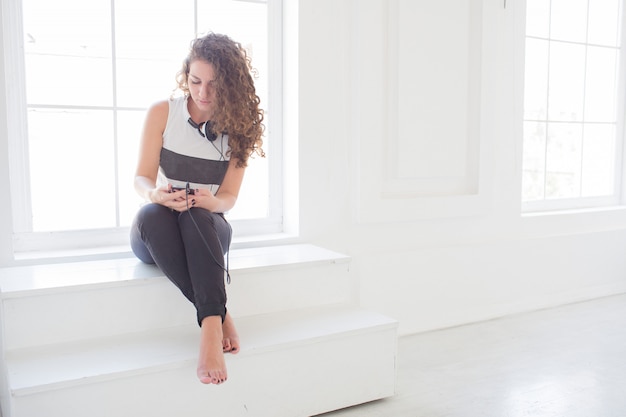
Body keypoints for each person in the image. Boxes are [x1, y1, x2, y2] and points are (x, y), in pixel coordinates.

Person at [130, 32, 264, 385]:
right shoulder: (163, 113)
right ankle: (217, 317)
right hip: (158, 228)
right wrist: (155, 195)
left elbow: (230, 197)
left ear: (231, 85)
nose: (202, 93)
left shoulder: (238, 130)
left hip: (205, 228)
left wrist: (211, 202)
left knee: (196, 216)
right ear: (185, 76)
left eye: (214, 85)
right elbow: (141, 178)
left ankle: (208, 332)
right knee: (149, 215)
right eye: (195, 81)